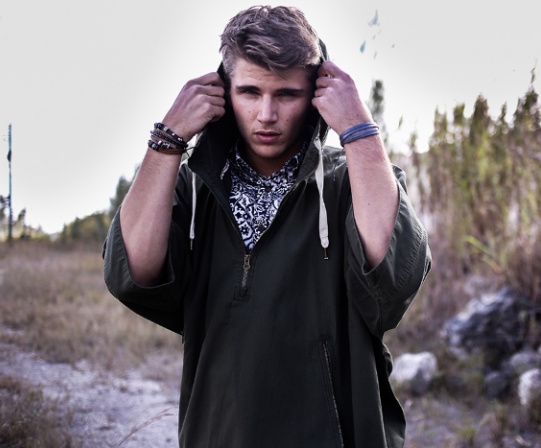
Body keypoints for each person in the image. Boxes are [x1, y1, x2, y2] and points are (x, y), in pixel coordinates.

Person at [103, 5, 431, 447]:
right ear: (224, 91)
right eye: (250, 92)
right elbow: (134, 275)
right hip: (219, 434)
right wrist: (167, 140)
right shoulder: (195, 187)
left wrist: (359, 129)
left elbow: (392, 284)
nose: (266, 114)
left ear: (315, 95)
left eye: (287, 94)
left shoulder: (353, 179)